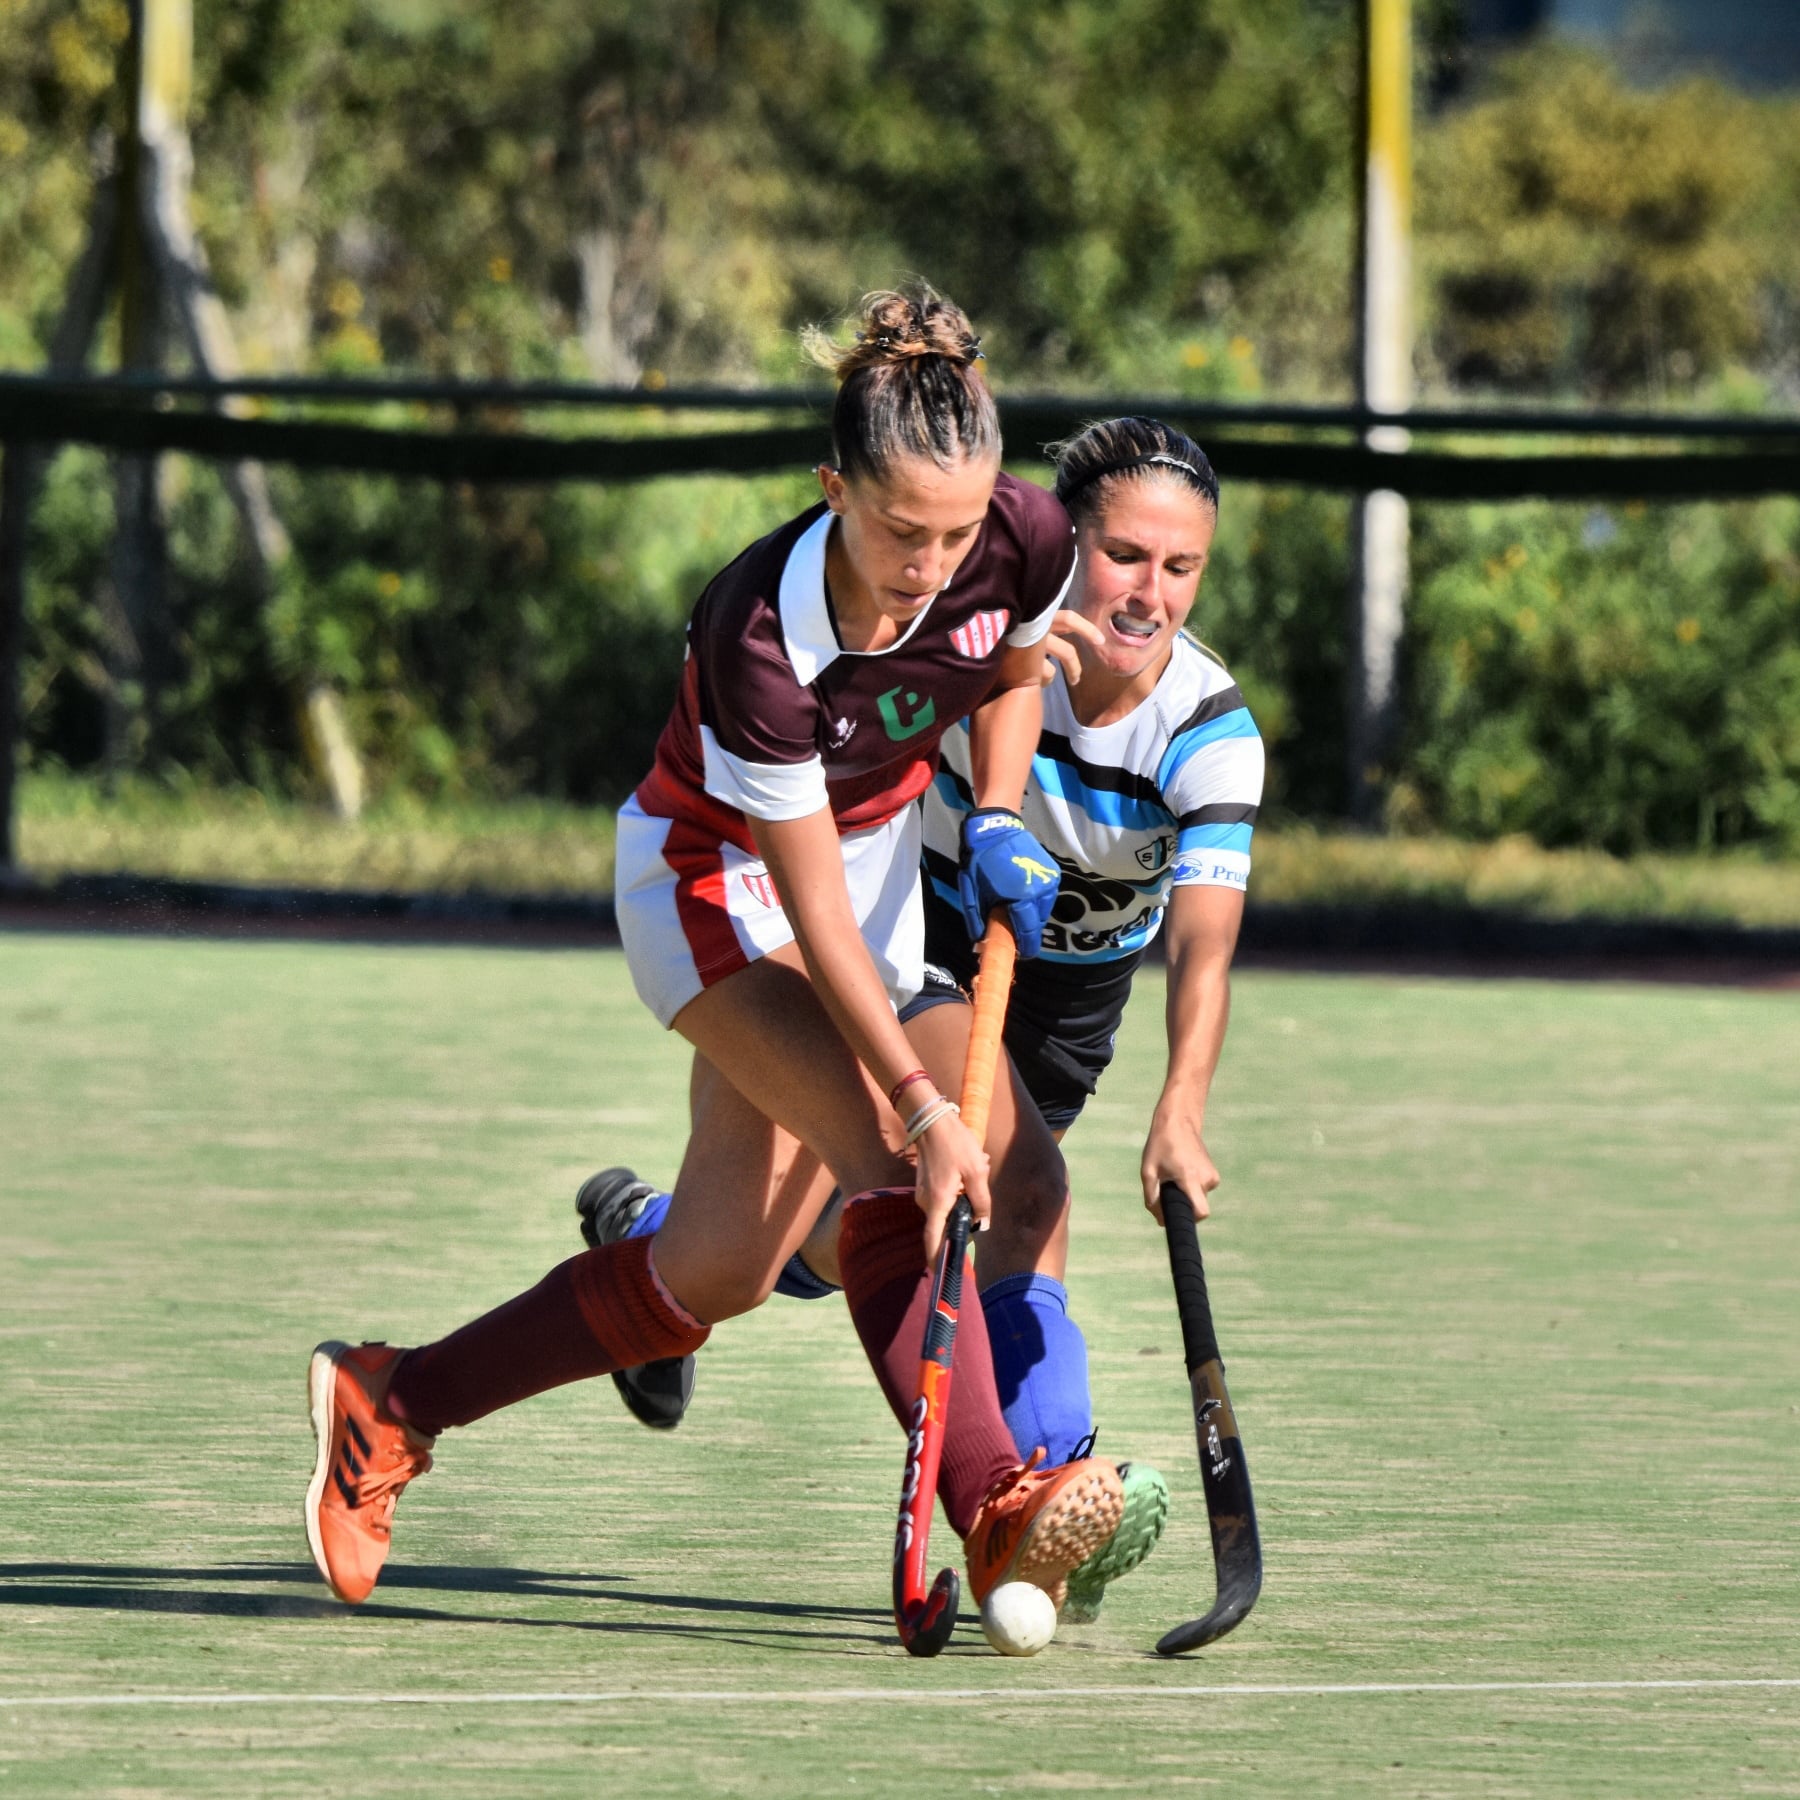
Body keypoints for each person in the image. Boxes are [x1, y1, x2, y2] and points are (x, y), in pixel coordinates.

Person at [302, 288, 1126, 1623]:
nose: (931, 562)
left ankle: (396, 1400)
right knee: (888, 1160)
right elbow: (800, 908)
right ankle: (997, 1500)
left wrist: (989, 812)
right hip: (713, 889)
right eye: (900, 530)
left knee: (725, 1271)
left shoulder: (1022, 532)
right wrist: (919, 1106)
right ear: (831, 490)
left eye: (956, 530)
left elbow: (1015, 673)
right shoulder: (759, 634)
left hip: (864, 877)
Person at [584, 416, 1263, 1624]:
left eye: (1181, 567)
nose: (1147, 592)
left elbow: (1204, 939)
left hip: (1064, 1012)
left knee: (851, 1239)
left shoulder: (1209, 731)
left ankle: (656, 1251)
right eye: (1123, 556)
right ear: (1070, 543)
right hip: (930, 951)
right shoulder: (982, 644)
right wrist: (992, 817)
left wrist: (1182, 1103)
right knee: (996, 1199)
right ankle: (1049, 1483)